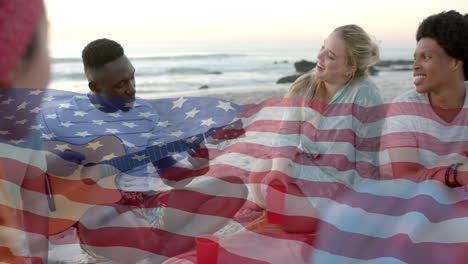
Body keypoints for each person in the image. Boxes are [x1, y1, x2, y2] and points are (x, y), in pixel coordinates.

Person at [39, 38, 247, 262]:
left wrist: (198, 165)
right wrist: (70, 162)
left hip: (149, 207)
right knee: (117, 219)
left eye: (132, 77)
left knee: (233, 187)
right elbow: (26, 159)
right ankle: (150, 249)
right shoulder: (63, 116)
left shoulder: (145, 113)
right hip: (102, 218)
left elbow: (171, 178)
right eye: (120, 85)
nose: (131, 89)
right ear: (95, 87)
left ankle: (155, 257)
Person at [249, 24, 383, 233]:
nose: (319, 56)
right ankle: (281, 204)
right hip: (306, 166)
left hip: (339, 182)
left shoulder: (366, 94)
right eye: (322, 47)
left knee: (292, 220)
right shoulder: (305, 84)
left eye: (330, 55)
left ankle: (291, 212)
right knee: (260, 174)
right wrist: (278, 172)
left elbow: (369, 160)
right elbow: (287, 135)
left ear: (350, 68)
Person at [383, 10, 468, 186]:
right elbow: (405, 181)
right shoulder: (404, 108)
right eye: (415, 58)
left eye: (426, 57)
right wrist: (456, 175)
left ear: (454, 62)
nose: (415, 66)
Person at [0, 0, 51, 262]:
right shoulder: (23, 132)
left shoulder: (28, 132)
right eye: (47, 46)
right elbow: (36, 206)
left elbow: (36, 205)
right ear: (16, 60)